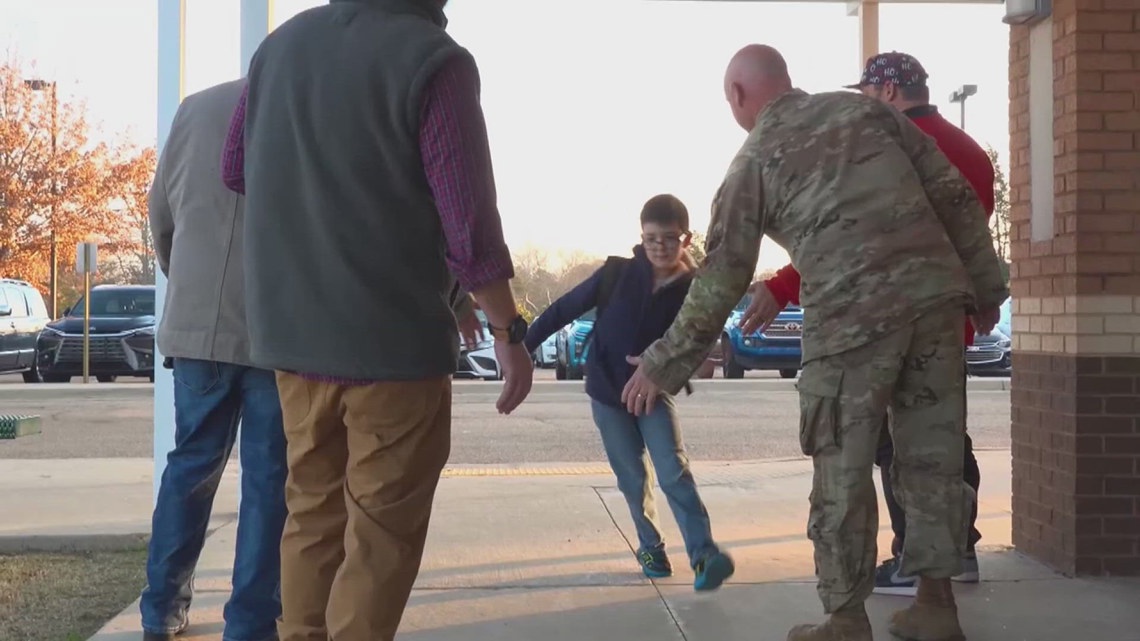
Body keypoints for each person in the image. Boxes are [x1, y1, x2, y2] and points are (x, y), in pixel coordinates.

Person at [621, 44, 1007, 641]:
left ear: (738, 96)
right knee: (933, 459)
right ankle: (935, 605)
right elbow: (953, 196)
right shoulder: (873, 115)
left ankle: (847, 619)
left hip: (851, 320)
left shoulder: (752, 161)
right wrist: (987, 288)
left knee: (843, 471)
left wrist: (661, 363)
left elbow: (721, 275)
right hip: (934, 303)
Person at [224, 1, 534, 640]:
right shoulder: (433, 61)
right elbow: (468, 220)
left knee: (310, 516)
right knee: (379, 537)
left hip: (293, 340)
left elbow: (235, 168)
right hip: (392, 348)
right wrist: (508, 331)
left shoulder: (278, 50)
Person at [740, 51, 995, 595]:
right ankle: (948, 565)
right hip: (945, 314)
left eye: (866, 93)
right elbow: (962, 224)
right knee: (941, 445)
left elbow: (857, 238)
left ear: (884, 93)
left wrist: (783, 286)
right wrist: (988, 292)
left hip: (876, 320)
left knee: (883, 448)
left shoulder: (888, 140)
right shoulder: (970, 151)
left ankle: (910, 562)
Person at [524, 194, 736, 591]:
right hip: (607, 393)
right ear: (641, 236)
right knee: (632, 478)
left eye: (669, 238)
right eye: (652, 238)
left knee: (674, 471)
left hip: (656, 394)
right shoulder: (616, 274)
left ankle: (704, 555)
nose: (660, 246)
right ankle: (650, 546)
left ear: (686, 239)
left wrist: (688, 365)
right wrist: (522, 347)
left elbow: (698, 340)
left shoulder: (694, 289)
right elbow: (563, 309)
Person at [142, 78, 287, 641]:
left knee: (189, 467)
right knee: (269, 480)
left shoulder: (194, 109)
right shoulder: (296, 101)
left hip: (198, 324)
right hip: (272, 327)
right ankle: (250, 623)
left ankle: (161, 609)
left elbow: (161, 212)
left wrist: (191, 288)